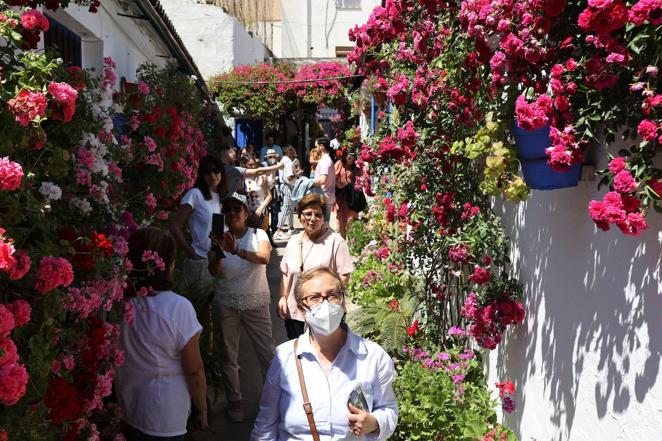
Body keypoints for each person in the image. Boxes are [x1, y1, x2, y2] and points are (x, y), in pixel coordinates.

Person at [251, 266, 398, 440]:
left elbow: (389, 409)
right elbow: (265, 426)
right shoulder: (284, 358)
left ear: (342, 302)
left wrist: (374, 422)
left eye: (332, 295)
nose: (325, 304)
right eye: (314, 298)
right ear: (301, 308)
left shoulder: (373, 356)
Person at [116, 227, 208, 441]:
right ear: (167, 264)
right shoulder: (177, 307)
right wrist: (202, 410)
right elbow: (194, 369)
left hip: (129, 405)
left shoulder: (118, 302)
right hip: (164, 414)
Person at [208, 192, 276, 423]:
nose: (231, 213)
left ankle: (273, 396)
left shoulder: (259, 234)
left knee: (267, 353)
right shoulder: (219, 238)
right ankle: (234, 399)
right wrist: (218, 251)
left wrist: (237, 250)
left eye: (237, 209)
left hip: (255, 302)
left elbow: (265, 258)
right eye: (226, 210)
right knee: (228, 354)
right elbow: (214, 272)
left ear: (246, 213)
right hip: (226, 303)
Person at [169, 156, 227, 350]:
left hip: (220, 261)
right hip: (200, 263)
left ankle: (212, 358)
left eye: (216, 171)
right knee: (200, 315)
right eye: (207, 172)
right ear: (201, 175)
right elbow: (175, 226)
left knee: (218, 315)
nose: (212, 176)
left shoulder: (222, 199)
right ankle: (201, 358)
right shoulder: (194, 194)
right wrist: (191, 252)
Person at [277, 193, 353, 339]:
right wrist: (282, 298)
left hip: (325, 315)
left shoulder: (335, 242)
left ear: (323, 218)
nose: (312, 219)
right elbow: (286, 274)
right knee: (298, 354)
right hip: (295, 313)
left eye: (317, 215)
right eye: (307, 214)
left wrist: (329, 301)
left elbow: (344, 275)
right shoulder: (293, 241)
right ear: (299, 216)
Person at [334, 151, 362, 238]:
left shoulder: (354, 166)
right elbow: (333, 176)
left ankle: (351, 241)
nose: (351, 160)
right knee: (342, 218)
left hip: (352, 195)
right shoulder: (339, 164)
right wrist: (340, 183)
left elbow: (360, 177)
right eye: (350, 158)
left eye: (353, 158)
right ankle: (343, 240)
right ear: (345, 156)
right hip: (342, 195)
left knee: (351, 217)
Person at [274, 146, 299, 241]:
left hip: (285, 186)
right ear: (288, 151)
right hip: (287, 186)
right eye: (292, 150)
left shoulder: (283, 160)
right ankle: (278, 230)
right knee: (286, 208)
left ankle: (291, 228)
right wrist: (298, 174)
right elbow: (289, 177)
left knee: (290, 207)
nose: (294, 152)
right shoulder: (288, 162)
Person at [244, 157, 273, 231]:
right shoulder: (242, 179)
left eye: (254, 164)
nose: (253, 167)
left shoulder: (262, 177)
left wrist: (261, 208)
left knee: (262, 236)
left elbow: (269, 196)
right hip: (247, 214)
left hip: (261, 213)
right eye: (250, 165)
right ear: (245, 165)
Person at [312, 138, 336, 223]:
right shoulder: (325, 159)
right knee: (323, 224)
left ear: (321, 146)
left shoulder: (325, 161)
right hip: (325, 197)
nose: (315, 149)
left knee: (323, 226)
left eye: (316, 146)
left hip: (324, 197)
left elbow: (323, 180)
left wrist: (309, 183)